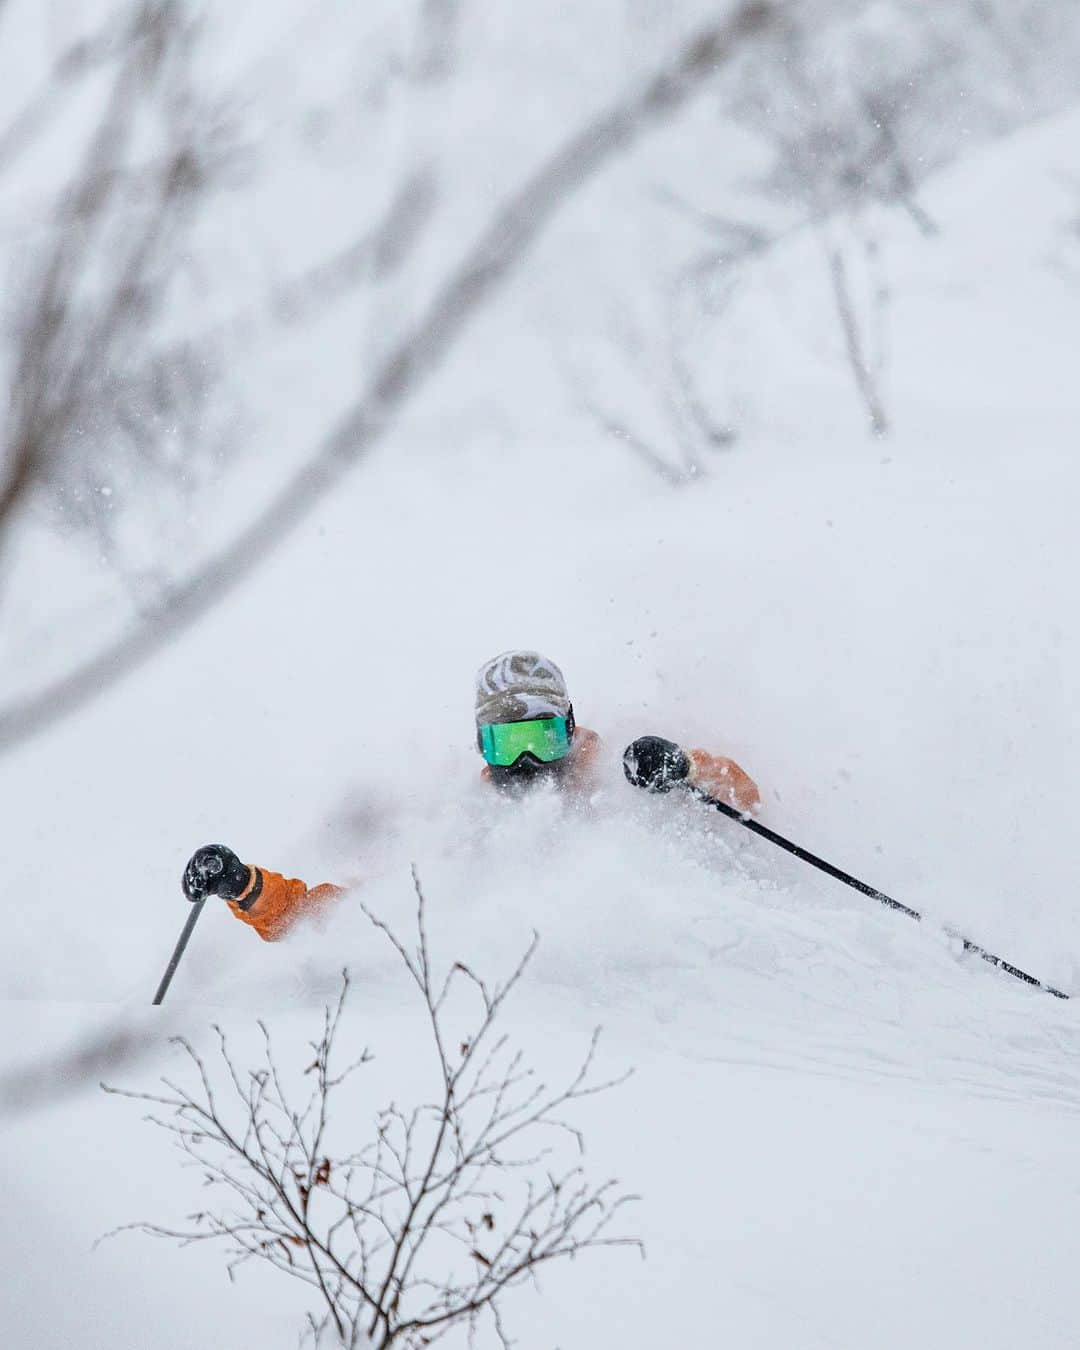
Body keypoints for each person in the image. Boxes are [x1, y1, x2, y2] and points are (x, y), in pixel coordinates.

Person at [181, 649, 760, 941]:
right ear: (481, 747)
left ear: (570, 726)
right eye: (508, 744)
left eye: (541, 736)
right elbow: (343, 917)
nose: (528, 760)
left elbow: (744, 798)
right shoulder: (468, 824)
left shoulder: (616, 774)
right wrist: (246, 888)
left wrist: (682, 769)